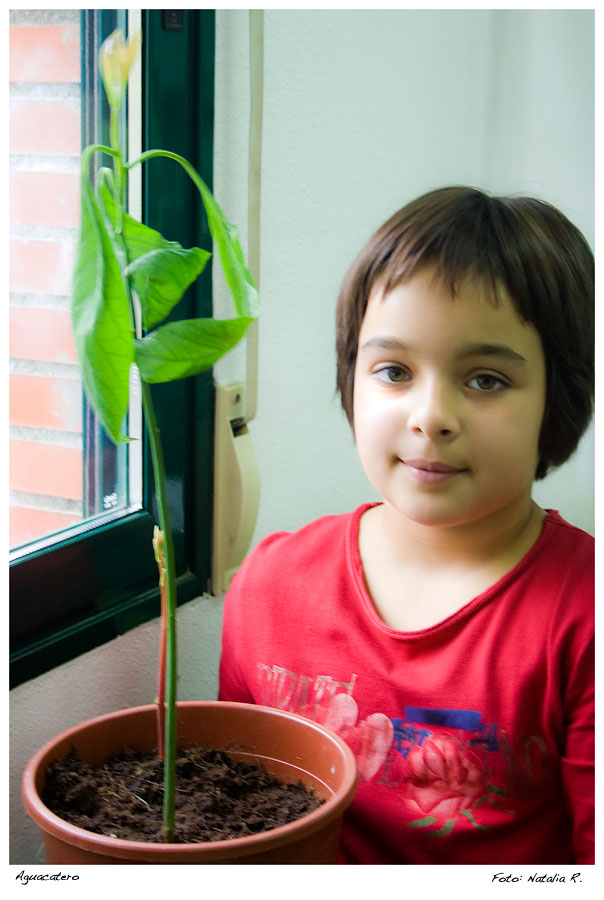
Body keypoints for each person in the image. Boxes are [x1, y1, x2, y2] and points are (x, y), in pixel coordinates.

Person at [218, 186, 594, 864]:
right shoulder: (268, 585)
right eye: (394, 371)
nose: (430, 416)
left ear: (558, 397)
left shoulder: (584, 614)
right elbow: (239, 827)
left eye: (484, 380)